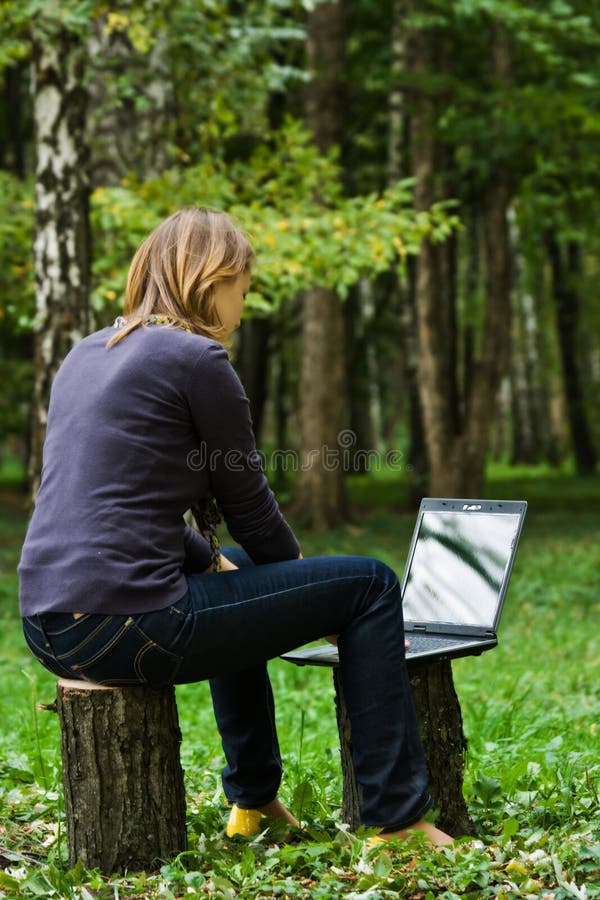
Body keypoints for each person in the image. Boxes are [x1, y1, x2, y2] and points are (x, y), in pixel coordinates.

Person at [19, 207, 452, 847]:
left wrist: (212, 560)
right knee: (370, 585)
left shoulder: (88, 353)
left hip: (49, 625)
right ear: (212, 279)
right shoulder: (196, 358)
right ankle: (398, 821)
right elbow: (250, 510)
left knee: (236, 577)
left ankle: (253, 803)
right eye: (242, 289)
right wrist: (303, 590)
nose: (243, 308)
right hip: (132, 624)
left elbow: (116, 505)